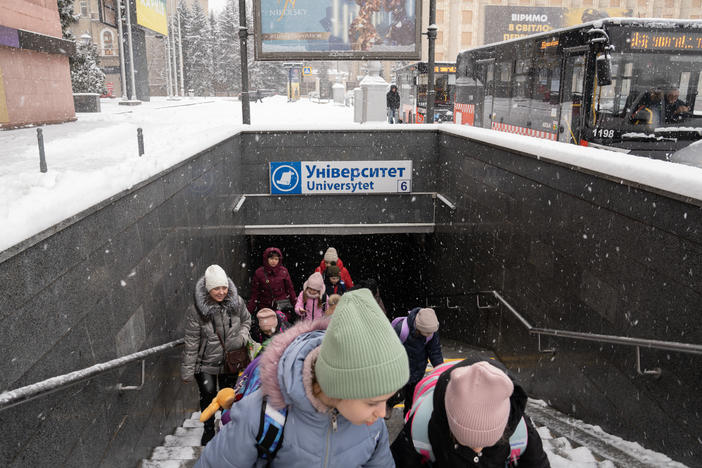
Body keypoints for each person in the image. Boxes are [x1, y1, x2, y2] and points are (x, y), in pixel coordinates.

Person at [195, 289, 410, 468]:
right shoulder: (265, 418)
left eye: (387, 399)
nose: (383, 413)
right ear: (340, 386)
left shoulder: (372, 426)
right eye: (372, 402)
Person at [390, 356, 550, 468]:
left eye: (489, 441)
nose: (477, 449)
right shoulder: (419, 430)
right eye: (465, 441)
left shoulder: (521, 432)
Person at [181, 264, 252, 446]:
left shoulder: (237, 303)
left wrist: (242, 337)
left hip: (230, 362)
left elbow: (247, 320)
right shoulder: (197, 311)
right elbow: (191, 341)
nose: (221, 292)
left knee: (228, 398)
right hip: (205, 365)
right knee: (208, 397)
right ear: (208, 289)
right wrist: (187, 370)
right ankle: (209, 431)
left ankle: (227, 428)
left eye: (224, 287)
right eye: (216, 288)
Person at [390, 308, 443, 416]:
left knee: (411, 399)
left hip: (417, 371)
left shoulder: (431, 330)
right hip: (399, 372)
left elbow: (435, 352)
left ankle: (408, 417)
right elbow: (389, 351)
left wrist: (442, 371)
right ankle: (388, 405)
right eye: (426, 333)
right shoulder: (401, 329)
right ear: (419, 328)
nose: (429, 335)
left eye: (431, 333)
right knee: (395, 394)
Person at [247, 247, 296, 323]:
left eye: (276, 259)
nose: (274, 261)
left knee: (282, 327)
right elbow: (254, 294)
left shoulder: (284, 272)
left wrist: (297, 306)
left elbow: (290, 290)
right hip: (265, 308)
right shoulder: (259, 273)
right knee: (266, 328)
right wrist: (248, 312)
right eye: (271, 258)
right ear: (266, 259)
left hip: (281, 307)